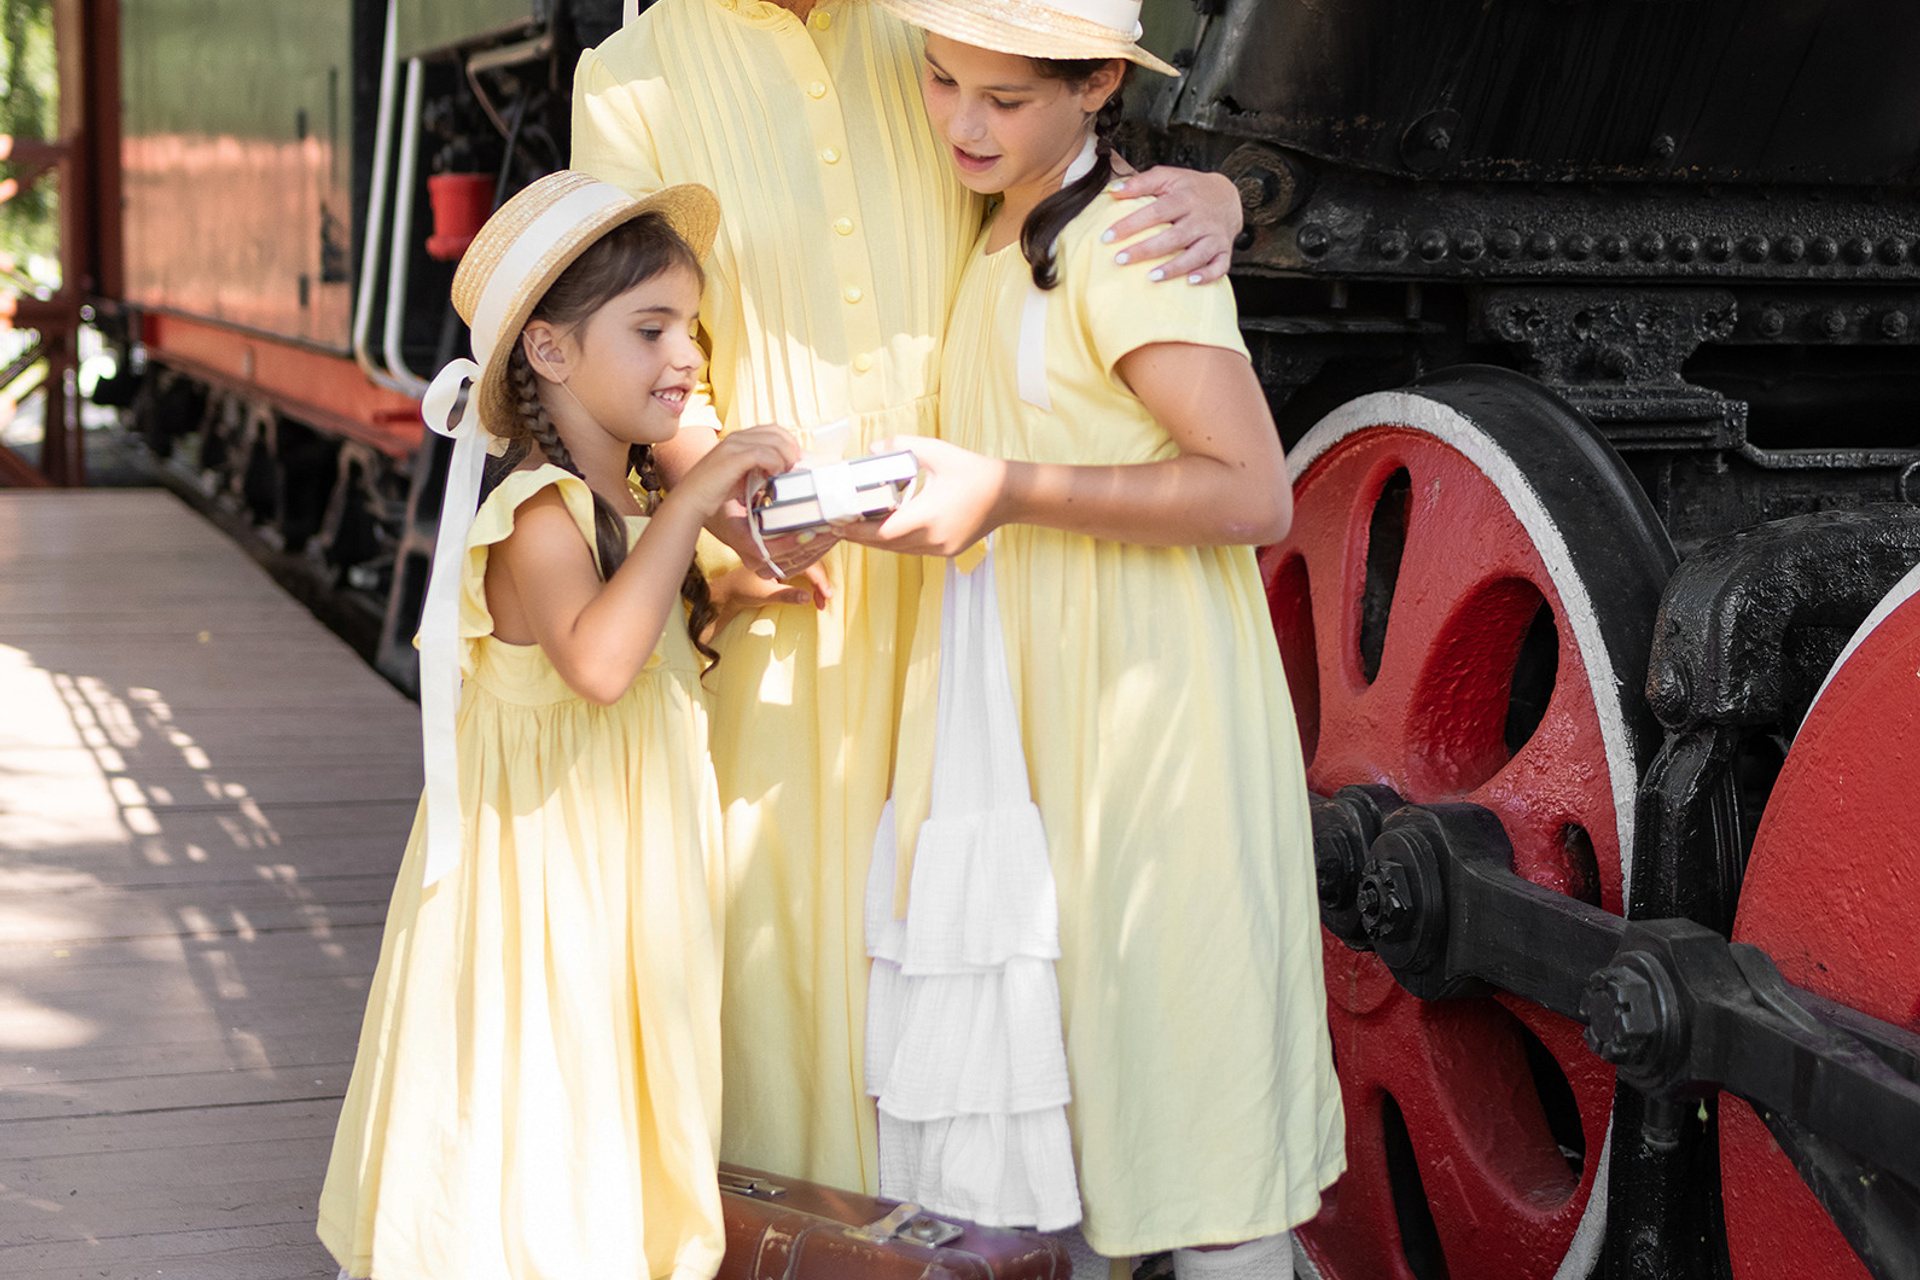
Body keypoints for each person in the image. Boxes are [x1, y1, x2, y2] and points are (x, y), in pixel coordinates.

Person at [570, 0, 1246, 1197]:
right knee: (780, 946)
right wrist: (737, 526)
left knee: (995, 948)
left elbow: (1051, 162)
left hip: (982, 600)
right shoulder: (630, 77)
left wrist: (1217, 196)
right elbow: (648, 357)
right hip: (790, 582)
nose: (958, 107)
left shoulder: (931, 28)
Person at [841, 1, 1347, 1275]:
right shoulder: (1002, 214)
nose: (961, 121)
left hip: (1145, 712)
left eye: (1003, 99)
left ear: (1099, 87)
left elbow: (1254, 489)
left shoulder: (1122, 243)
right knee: (1089, 1085)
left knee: (1189, 1094)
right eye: (941, 78)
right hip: (1041, 709)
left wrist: (1007, 487)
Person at [317, 171, 800, 1280]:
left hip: (616, 884)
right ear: (548, 350)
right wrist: (694, 501)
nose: (688, 356)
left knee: (602, 1098)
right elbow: (593, 660)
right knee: (542, 1098)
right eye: (651, 329)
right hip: (547, 887)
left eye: (692, 327)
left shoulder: (616, 507)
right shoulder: (535, 505)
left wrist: (724, 592)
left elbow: (632, 638)